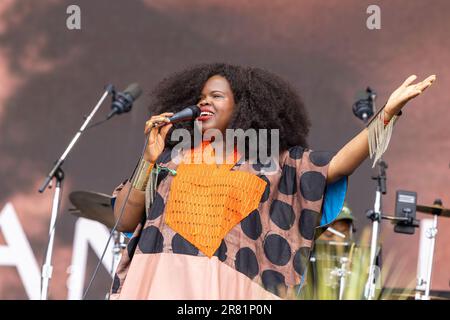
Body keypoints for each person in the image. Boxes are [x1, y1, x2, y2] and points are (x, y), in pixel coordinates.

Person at [109, 63, 435, 299]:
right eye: (201, 97)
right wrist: (148, 159)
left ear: (244, 106)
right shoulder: (171, 159)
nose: (203, 102)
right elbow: (124, 219)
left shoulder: (270, 162)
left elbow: (336, 165)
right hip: (163, 287)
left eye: (217, 96)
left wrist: (388, 113)